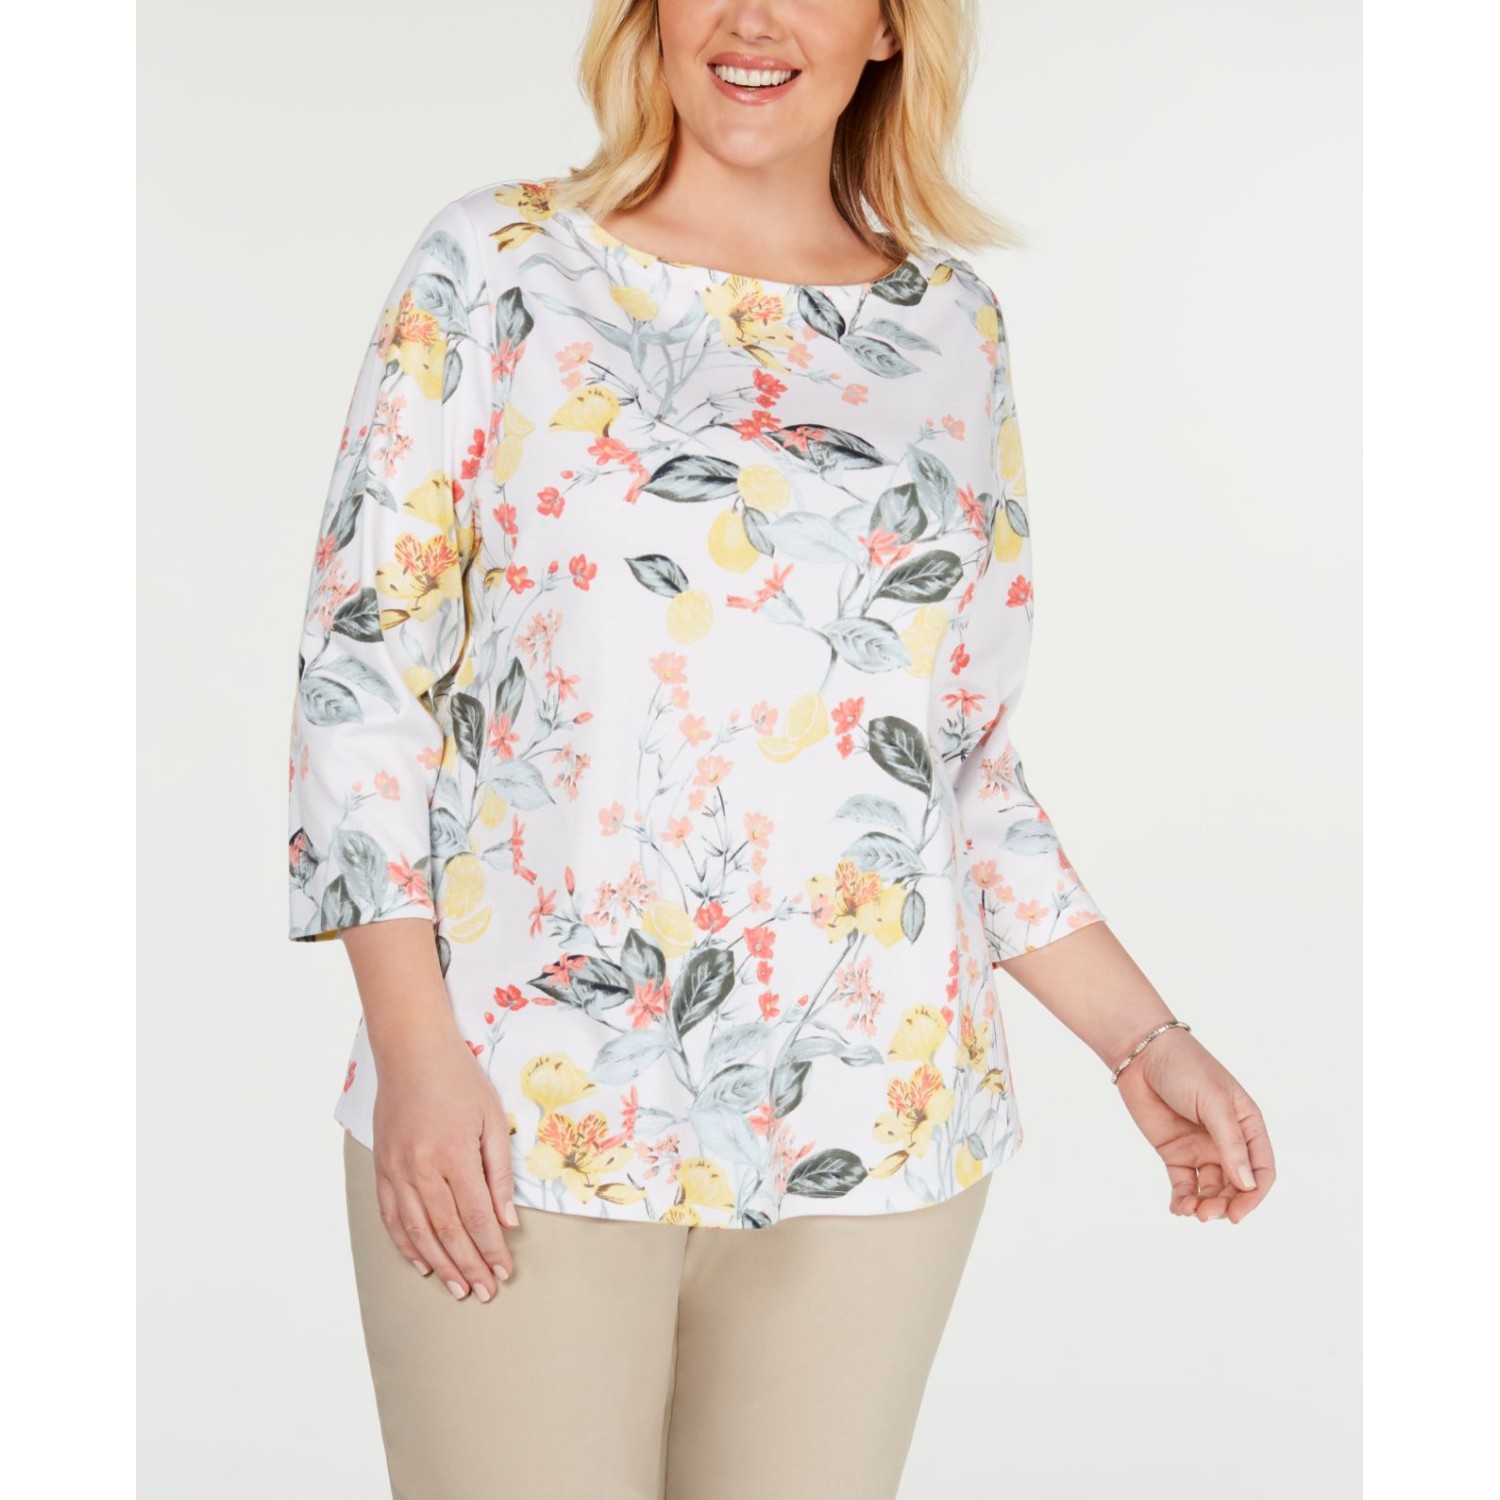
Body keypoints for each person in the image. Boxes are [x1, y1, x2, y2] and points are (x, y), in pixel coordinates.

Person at [286, 2, 1277, 1496]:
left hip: (877, 1124)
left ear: (887, 25)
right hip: (521, 1101)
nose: (753, 18)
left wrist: (1148, 1042)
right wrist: (418, 1056)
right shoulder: (500, 265)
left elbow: (960, 768)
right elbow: (362, 672)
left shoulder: (951, 327)